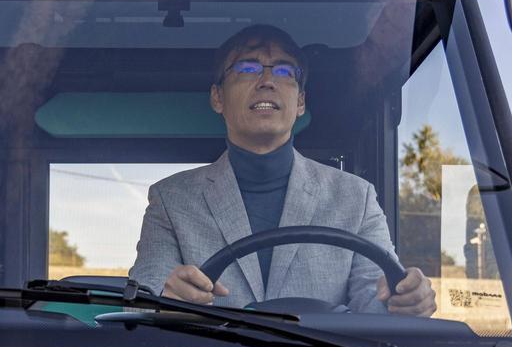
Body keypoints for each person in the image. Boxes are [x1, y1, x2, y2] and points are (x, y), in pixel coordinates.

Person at [129, 24, 436, 316]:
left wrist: (406, 301)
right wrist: (164, 302)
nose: (267, 81)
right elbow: (139, 305)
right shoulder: (171, 200)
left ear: (300, 101)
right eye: (247, 68)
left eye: (284, 70)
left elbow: (378, 300)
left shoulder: (357, 197)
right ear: (217, 97)